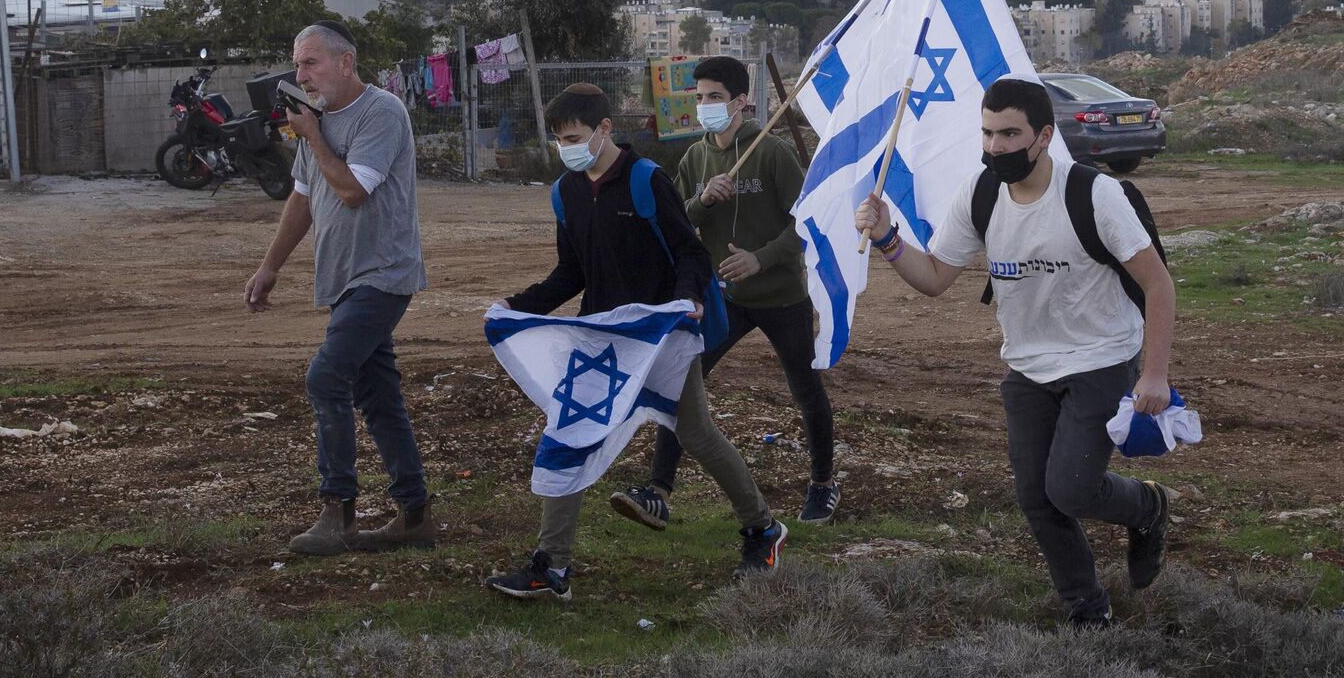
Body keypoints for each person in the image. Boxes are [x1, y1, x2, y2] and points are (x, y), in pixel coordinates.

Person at [853, 77, 1177, 626]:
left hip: (1100, 359)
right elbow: (934, 278)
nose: (996, 146)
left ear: (1044, 135)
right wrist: (888, 239)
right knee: (1036, 497)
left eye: (1009, 133)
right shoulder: (979, 193)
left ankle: (1148, 507)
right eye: (987, 133)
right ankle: (1086, 607)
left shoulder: (1094, 194)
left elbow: (1159, 285)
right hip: (1026, 367)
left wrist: (1154, 375)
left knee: (1070, 490)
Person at [486, 83, 787, 601]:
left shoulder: (647, 180)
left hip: (660, 338)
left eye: (574, 136)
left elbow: (689, 252)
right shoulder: (566, 191)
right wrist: (517, 306)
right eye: (559, 140)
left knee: (696, 435)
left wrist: (689, 298)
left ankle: (763, 530)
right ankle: (552, 567)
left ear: (605, 130)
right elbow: (571, 272)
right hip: (602, 341)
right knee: (570, 433)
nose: (567, 148)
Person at [610, 56, 841, 530]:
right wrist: (701, 199)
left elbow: (809, 222)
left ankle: (822, 483)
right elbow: (671, 224)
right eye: (699, 98)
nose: (705, 106)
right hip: (723, 299)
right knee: (682, 384)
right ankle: (658, 491)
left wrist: (761, 258)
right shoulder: (695, 159)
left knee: (805, 389)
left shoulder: (771, 151)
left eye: (714, 97)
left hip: (780, 297)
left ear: (740, 101)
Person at [244, 20, 435, 556]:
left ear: (345, 62)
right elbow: (301, 199)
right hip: (344, 280)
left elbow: (351, 190)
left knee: (327, 377)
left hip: (383, 273)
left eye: (311, 63)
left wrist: (313, 136)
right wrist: (270, 267)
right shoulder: (318, 122)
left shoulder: (381, 113)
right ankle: (415, 514)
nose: (301, 75)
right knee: (378, 396)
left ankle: (338, 512)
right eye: (297, 64)